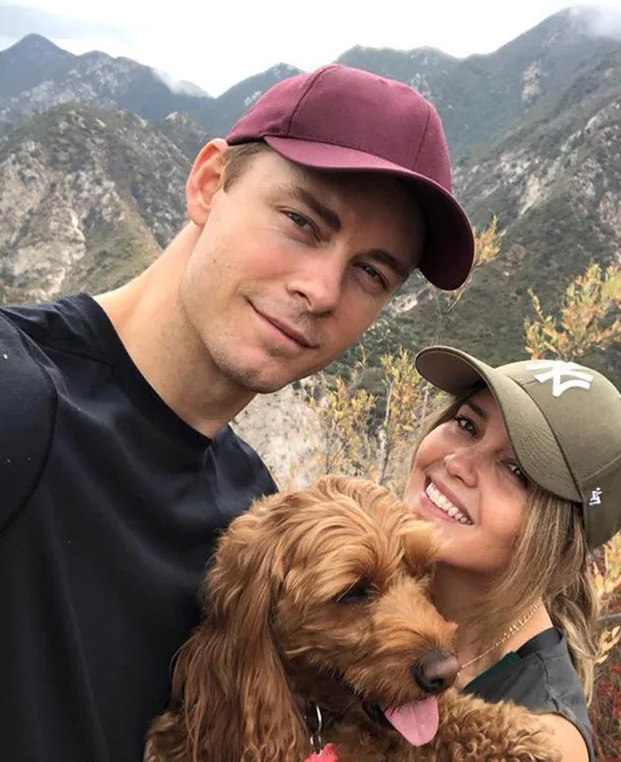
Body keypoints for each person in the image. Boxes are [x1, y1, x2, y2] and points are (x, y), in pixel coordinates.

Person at [0, 65, 474, 762]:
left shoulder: (255, 506)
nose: (319, 289)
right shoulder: (19, 396)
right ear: (207, 183)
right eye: (302, 221)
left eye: (371, 272)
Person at [404, 345, 621, 761]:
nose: (460, 463)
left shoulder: (539, 743)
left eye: (516, 470)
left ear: (557, 541)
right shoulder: (357, 591)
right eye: (467, 425)